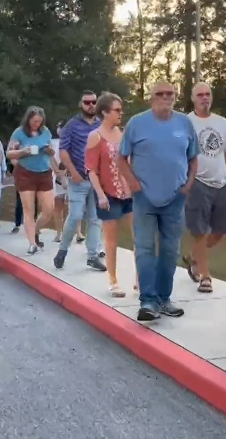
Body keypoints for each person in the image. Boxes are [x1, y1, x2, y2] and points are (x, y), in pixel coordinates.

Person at [118, 81, 196, 322]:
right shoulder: (137, 124)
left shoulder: (184, 123)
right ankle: (148, 301)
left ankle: (164, 298)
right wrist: (134, 184)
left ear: (176, 96)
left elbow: (193, 158)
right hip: (145, 198)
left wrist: (188, 186)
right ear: (151, 98)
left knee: (170, 250)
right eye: (160, 94)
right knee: (144, 248)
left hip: (175, 198)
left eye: (170, 94)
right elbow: (121, 157)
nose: (165, 97)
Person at [182, 82, 226, 293]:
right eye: (200, 95)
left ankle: (193, 257)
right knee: (199, 231)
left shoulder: (222, 122)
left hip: (222, 182)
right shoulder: (186, 122)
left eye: (208, 94)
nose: (204, 98)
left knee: (222, 228)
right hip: (197, 182)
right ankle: (205, 276)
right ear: (193, 98)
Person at [86, 92, 137, 297]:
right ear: (104, 112)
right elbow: (91, 169)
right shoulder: (95, 136)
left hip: (129, 193)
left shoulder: (124, 134)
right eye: (116, 110)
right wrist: (100, 194)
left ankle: (139, 279)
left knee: (139, 237)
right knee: (111, 240)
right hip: (108, 194)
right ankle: (113, 280)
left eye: (120, 110)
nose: (120, 113)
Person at [54, 91, 106, 271]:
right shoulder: (72, 125)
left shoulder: (101, 124)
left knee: (95, 219)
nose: (91, 105)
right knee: (75, 215)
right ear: (81, 104)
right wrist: (73, 172)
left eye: (93, 102)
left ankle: (92, 256)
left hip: (97, 180)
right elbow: (63, 150)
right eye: (87, 102)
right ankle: (62, 250)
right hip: (79, 179)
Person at [7, 106, 61, 255]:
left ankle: (35, 231)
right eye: (35, 121)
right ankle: (32, 244)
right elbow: (10, 153)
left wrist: (50, 151)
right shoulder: (19, 133)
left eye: (40, 121)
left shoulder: (46, 132)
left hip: (44, 172)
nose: (37, 124)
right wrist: (24, 151)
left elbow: (50, 150)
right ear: (28, 119)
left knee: (49, 209)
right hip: (25, 173)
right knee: (29, 209)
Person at [51, 122, 68, 242]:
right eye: (58, 127)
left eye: (61, 127)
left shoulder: (72, 141)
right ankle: (59, 232)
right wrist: (58, 173)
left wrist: (65, 172)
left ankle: (76, 232)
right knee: (58, 206)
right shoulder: (53, 142)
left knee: (73, 207)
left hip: (70, 175)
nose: (59, 129)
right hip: (56, 176)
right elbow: (50, 158)